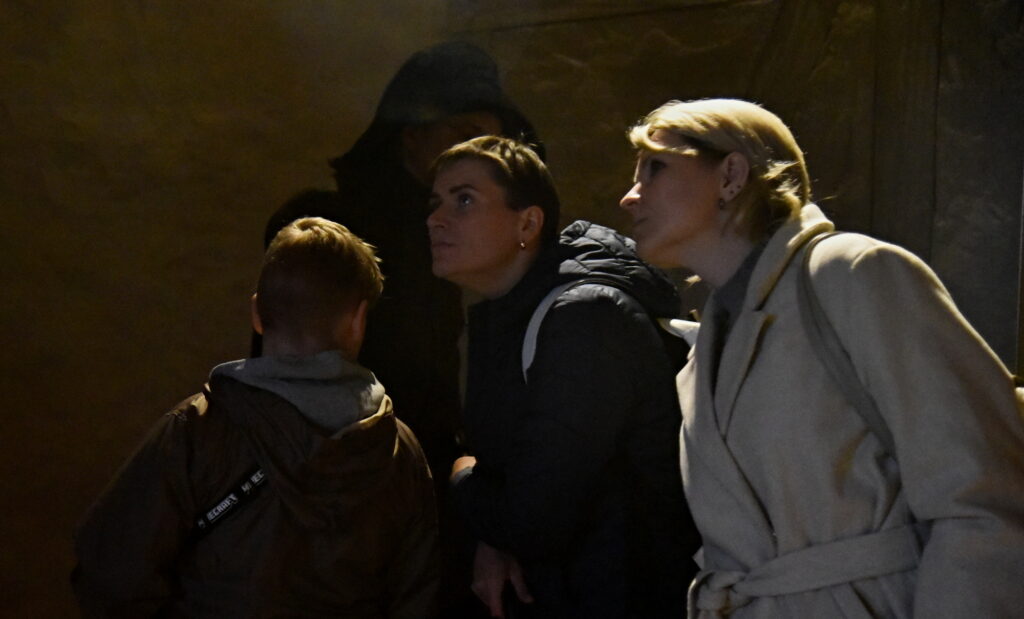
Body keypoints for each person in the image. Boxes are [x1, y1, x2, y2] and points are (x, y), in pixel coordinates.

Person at [619, 98, 1024, 617]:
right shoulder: (706, 350)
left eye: (655, 168)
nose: (629, 196)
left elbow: (983, 496)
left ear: (731, 176)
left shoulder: (852, 273)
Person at [72, 217, 438, 618]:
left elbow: (110, 575)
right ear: (358, 321)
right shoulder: (397, 450)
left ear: (257, 314)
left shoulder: (198, 429)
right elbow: (417, 595)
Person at [427, 135, 701, 618]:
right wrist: (493, 536)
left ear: (527, 223)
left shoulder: (585, 319)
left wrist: (460, 473)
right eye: (436, 203)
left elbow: (532, 519)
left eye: (464, 200)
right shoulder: (514, 315)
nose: (436, 219)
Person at [262, 42, 540, 503]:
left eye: (489, 144)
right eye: (465, 133)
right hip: (333, 481)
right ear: (412, 134)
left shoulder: (448, 237)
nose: (477, 155)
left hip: (417, 476)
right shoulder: (332, 228)